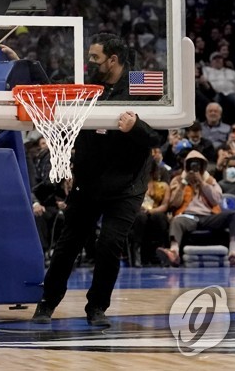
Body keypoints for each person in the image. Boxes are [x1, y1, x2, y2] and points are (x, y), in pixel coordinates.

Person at [33, 32, 159, 328]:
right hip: (88, 181)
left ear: (113, 60)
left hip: (127, 184)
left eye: (95, 58)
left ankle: (97, 307)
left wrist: (136, 126)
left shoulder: (142, 81)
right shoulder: (88, 84)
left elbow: (159, 136)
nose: (90, 63)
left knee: (109, 245)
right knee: (67, 246)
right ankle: (47, 303)